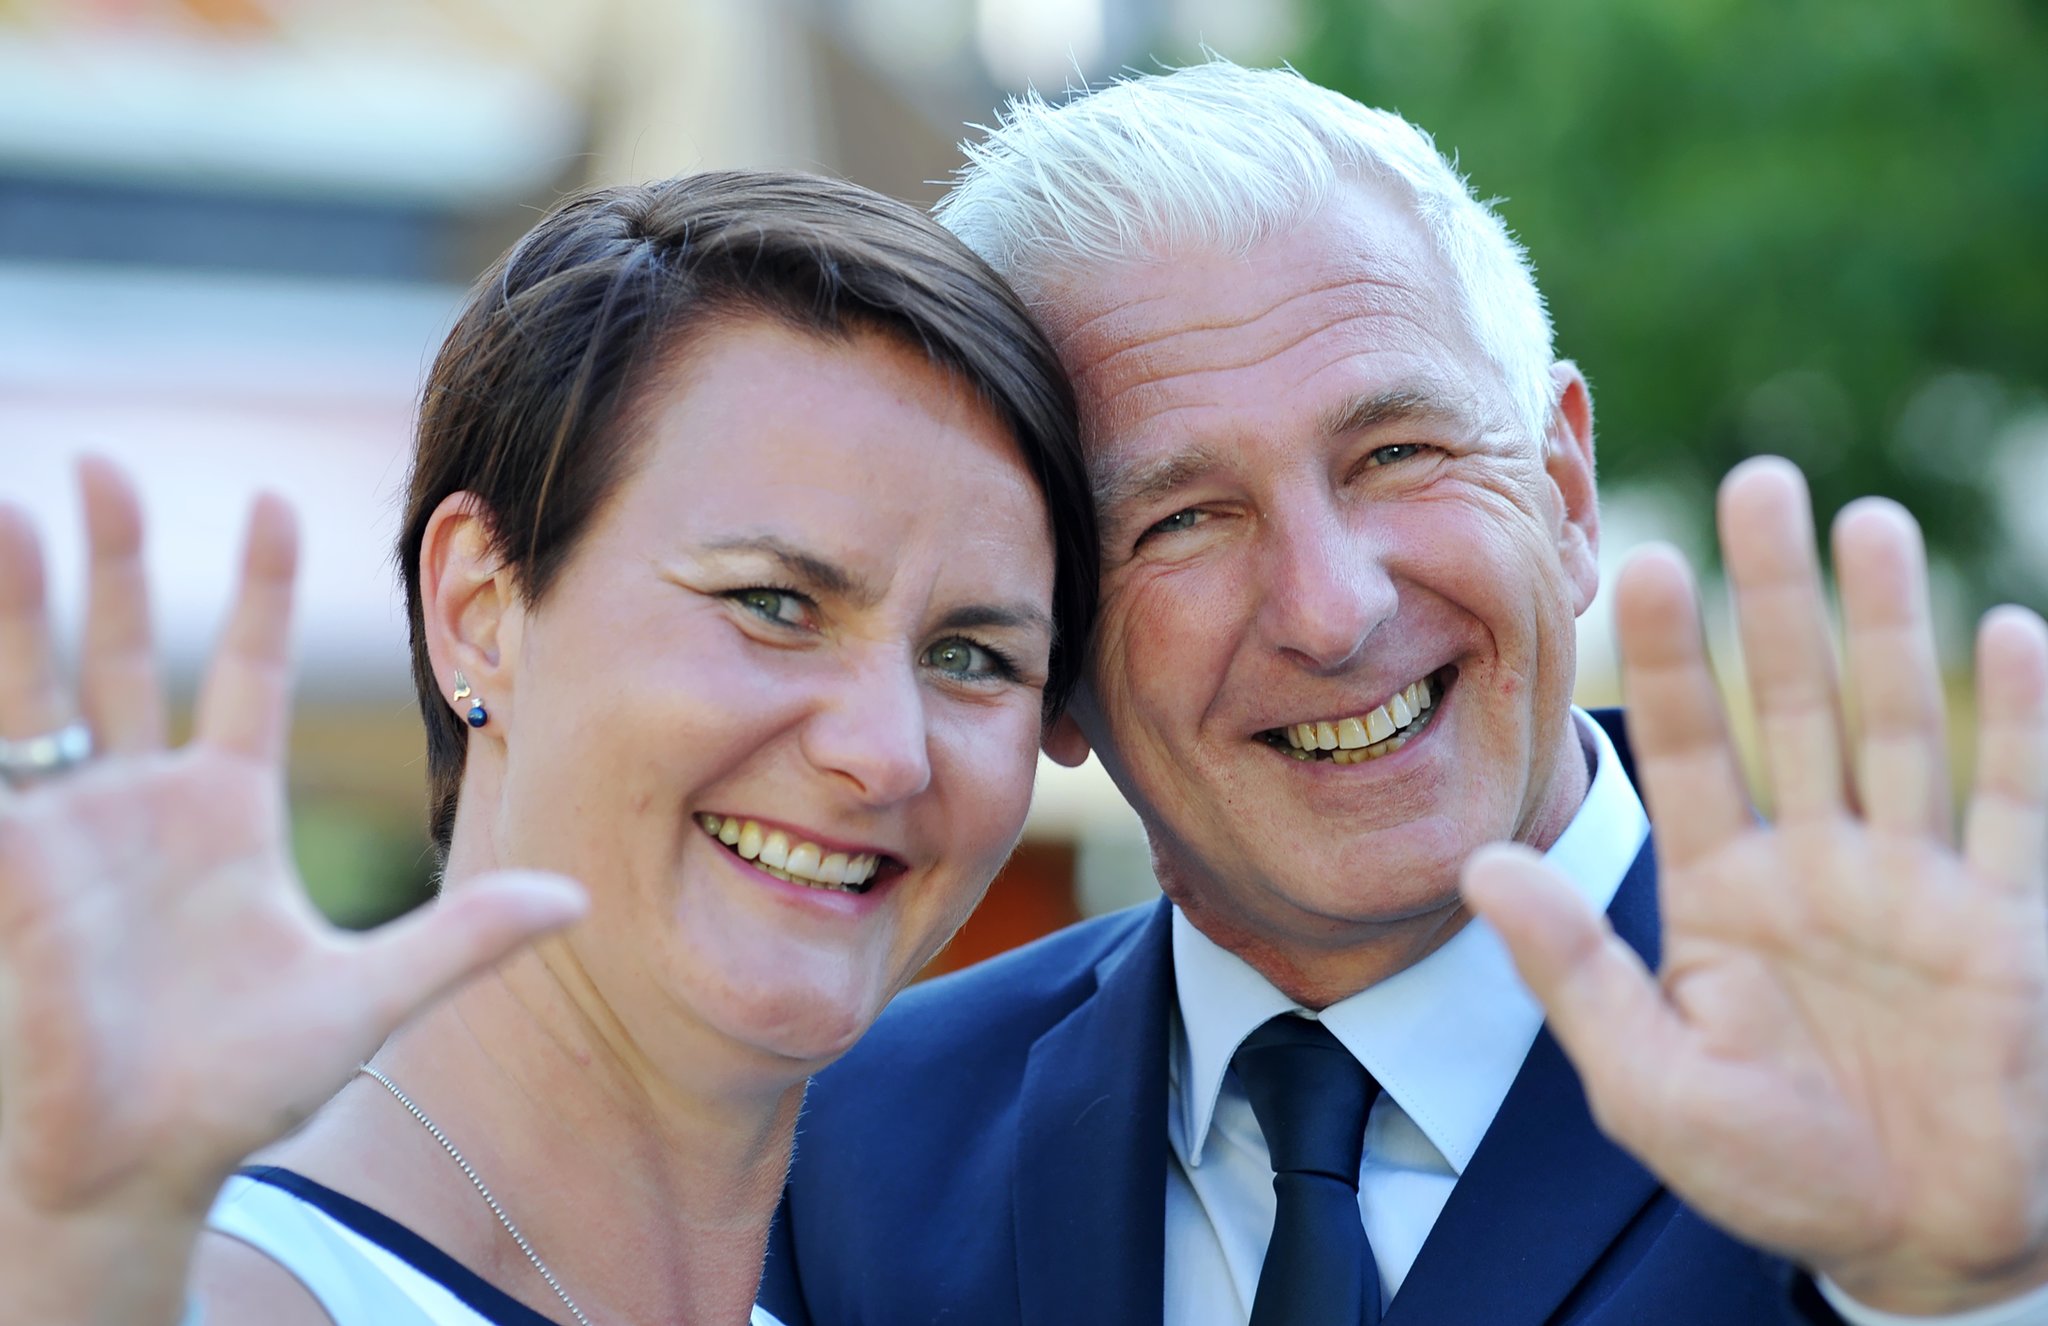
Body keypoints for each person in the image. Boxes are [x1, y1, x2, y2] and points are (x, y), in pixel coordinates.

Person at [758, 61, 2048, 1326]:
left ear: (1564, 490)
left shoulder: (1960, 1087)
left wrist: (1959, 1303)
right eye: (1180, 518)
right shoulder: (843, 1158)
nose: (1331, 609)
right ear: (1043, 663)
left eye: (1395, 453)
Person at [0, 168, 1098, 1325]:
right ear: (481, 610)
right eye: (773, 603)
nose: (885, 752)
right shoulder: (225, 1292)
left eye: (971, 656)